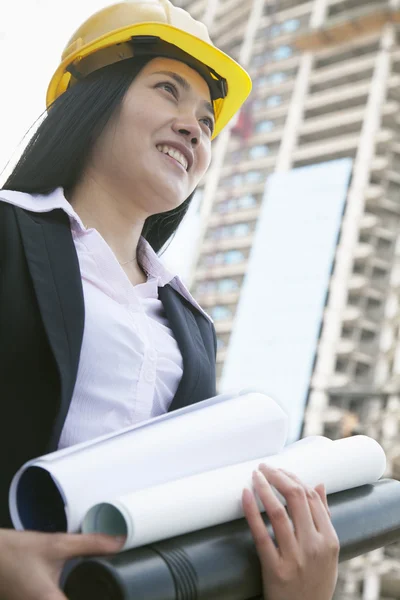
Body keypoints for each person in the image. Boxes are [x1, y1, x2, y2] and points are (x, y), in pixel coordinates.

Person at [0, 1, 339, 598]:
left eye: (207, 123)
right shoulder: (7, 236)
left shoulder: (192, 328)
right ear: (93, 98)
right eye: (167, 91)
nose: (193, 127)